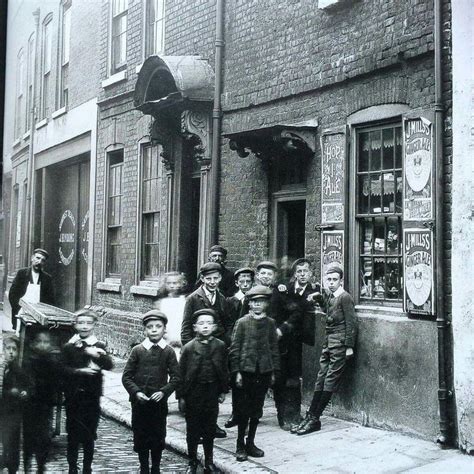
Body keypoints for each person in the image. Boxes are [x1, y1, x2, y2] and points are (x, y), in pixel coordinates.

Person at [293, 266, 357, 435]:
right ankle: (310, 416)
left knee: (329, 380)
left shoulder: (345, 297)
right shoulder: (330, 296)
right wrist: (320, 299)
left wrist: (349, 346)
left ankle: (315, 418)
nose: (331, 283)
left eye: (334, 279)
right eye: (328, 279)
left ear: (341, 281)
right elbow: (328, 312)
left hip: (340, 344)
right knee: (321, 378)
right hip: (328, 343)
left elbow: (351, 323)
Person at [122, 310, 180, 474]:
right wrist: (136, 392)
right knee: (140, 436)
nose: (154, 330)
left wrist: (163, 392)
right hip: (140, 404)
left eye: (158, 326)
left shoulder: (168, 351)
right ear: (144, 330)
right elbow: (126, 377)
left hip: (158, 405)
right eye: (150, 327)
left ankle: (155, 467)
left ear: (164, 329)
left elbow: (176, 377)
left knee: (157, 436)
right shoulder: (138, 351)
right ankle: (144, 468)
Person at [245, 260, 300, 430]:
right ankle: (252, 415)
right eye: (263, 273)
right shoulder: (250, 295)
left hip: (277, 348)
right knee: (255, 383)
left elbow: (296, 313)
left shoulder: (281, 293)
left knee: (280, 382)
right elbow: (240, 320)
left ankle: (285, 417)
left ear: (274, 277)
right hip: (255, 348)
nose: (266, 277)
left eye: (270, 274)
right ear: (257, 275)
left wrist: (282, 330)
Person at [229, 285, 280, 462]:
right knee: (243, 410)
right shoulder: (242, 323)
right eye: (254, 302)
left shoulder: (270, 323)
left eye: (261, 302)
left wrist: (273, 371)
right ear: (249, 304)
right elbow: (235, 349)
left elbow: (274, 349)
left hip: (263, 372)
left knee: (256, 410)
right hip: (246, 372)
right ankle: (240, 444)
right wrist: (236, 372)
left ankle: (251, 442)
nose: (257, 305)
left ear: (266, 304)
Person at [61, 309, 113, 473]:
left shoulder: (99, 345)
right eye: (81, 323)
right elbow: (62, 370)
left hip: (92, 397)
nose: (84, 326)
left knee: (89, 435)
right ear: (75, 324)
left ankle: (87, 468)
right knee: (73, 435)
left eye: (89, 323)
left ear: (94, 325)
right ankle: (72, 468)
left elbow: (109, 365)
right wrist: (79, 371)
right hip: (74, 397)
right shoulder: (69, 346)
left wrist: (97, 355)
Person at [178, 309, 228, 474]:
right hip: (194, 393)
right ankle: (192, 461)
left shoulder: (220, 346)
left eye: (209, 323)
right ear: (194, 327)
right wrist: (181, 397)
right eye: (201, 323)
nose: (205, 326)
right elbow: (181, 373)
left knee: (209, 429)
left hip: (211, 392)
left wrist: (222, 391)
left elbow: (223, 369)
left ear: (214, 327)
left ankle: (209, 462)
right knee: (192, 429)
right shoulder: (188, 348)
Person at [281, 258, 320, 428]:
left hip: (303, 341)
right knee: (285, 376)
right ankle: (284, 413)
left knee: (296, 377)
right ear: (294, 274)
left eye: (306, 271)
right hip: (286, 339)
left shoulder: (316, 291)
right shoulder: (286, 289)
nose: (302, 275)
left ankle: (295, 414)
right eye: (299, 272)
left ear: (311, 273)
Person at [23, 330, 60, 473]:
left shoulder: (52, 362)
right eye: (40, 342)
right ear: (33, 344)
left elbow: (57, 382)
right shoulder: (28, 361)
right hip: (30, 406)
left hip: (45, 406)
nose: (43, 345)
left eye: (46, 342)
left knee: (44, 439)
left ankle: (41, 467)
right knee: (28, 438)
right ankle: (27, 466)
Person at [224, 267, 254, 429]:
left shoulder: (254, 300)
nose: (245, 284)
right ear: (236, 283)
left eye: (248, 282)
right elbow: (228, 323)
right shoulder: (231, 301)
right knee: (236, 381)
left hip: (250, 345)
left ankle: (249, 413)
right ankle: (236, 413)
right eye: (241, 282)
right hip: (235, 344)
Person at [1, 335, 29, 474]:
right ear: (3, 350)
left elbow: (28, 386)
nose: (11, 352)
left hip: (12, 412)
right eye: (8, 349)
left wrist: (24, 392)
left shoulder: (19, 371)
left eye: (14, 349)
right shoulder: (1, 368)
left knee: (12, 442)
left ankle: (11, 468)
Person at [8, 249, 55, 330]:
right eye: (37, 258)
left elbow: (50, 300)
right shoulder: (21, 273)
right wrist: (19, 310)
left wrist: (42, 314)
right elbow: (12, 295)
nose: (39, 262)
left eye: (42, 260)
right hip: (21, 313)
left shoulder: (47, 278)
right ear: (32, 258)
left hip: (38, 316)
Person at [153, 272, 187, 348]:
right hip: (166, 339)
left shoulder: (185, 301)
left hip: (180, 338)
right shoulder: (161, 303)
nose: (172, 286)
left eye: (175, 283)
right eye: (169, 283)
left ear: (181, 284)